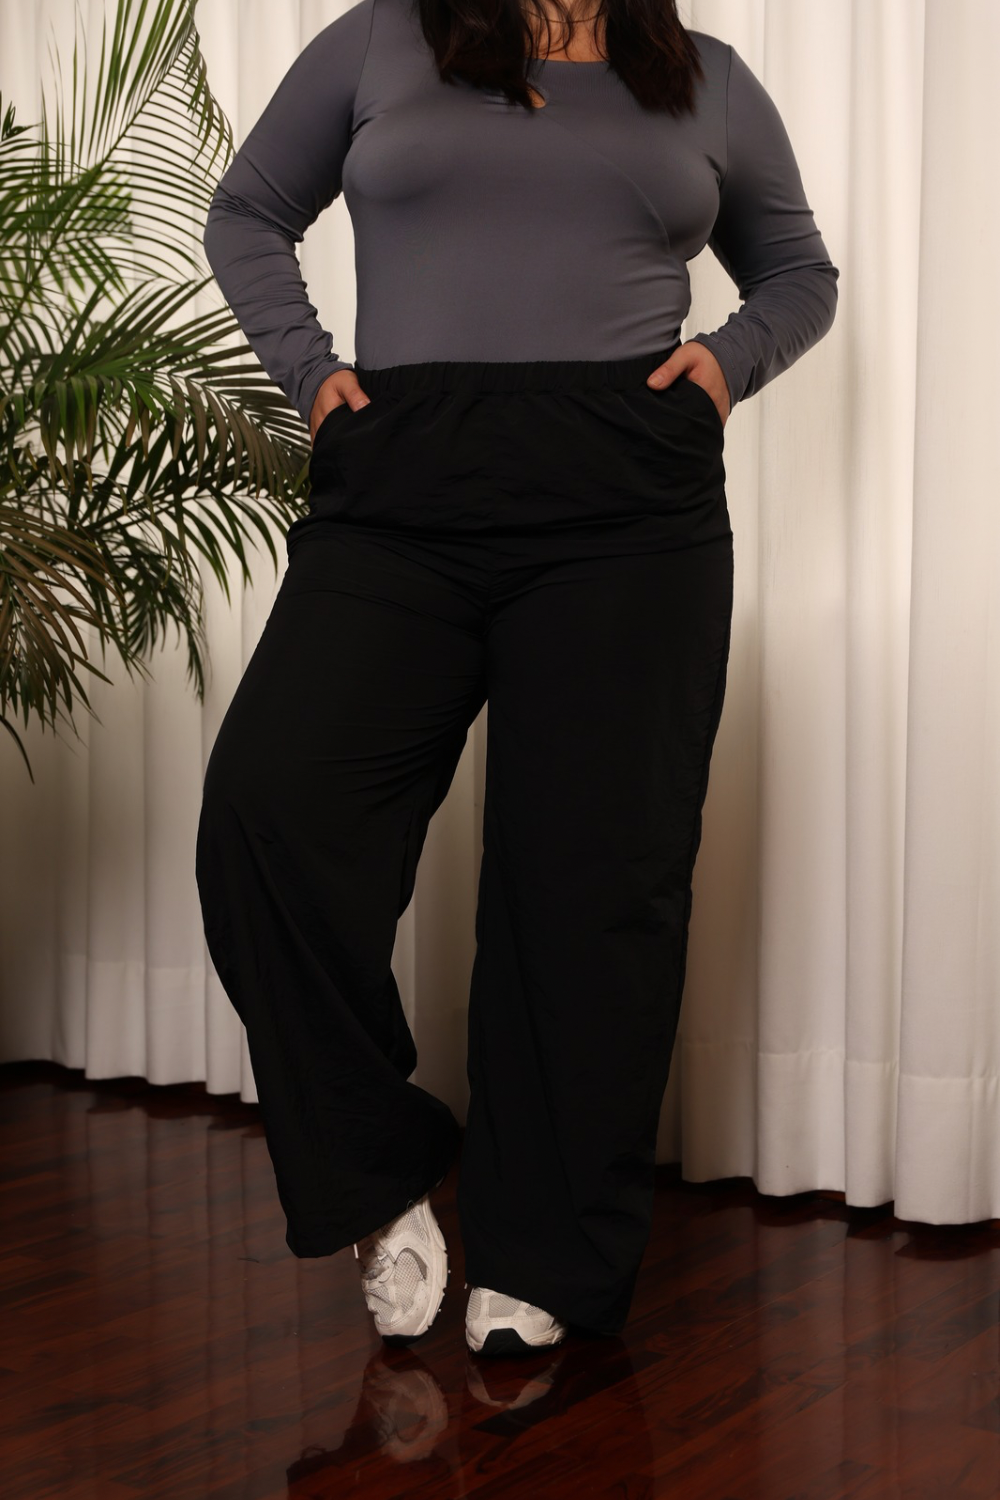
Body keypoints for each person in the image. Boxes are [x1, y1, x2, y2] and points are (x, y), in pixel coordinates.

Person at [195, 0, 839, 1357]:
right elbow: (247, 210)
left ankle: (544, 1249)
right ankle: (376, 1170)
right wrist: (309, 372)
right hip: (404, 481)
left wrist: (726, 366)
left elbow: (796, 272)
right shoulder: (380, 40)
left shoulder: (708, 80)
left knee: (593, 883)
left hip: (627, 500)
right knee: (271, 811)